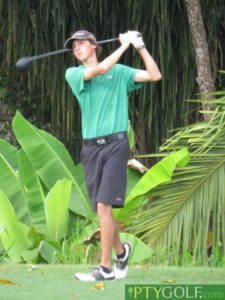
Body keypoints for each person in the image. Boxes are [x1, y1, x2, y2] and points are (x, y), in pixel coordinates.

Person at [64, 30, 161, 282]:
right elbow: (101, 69)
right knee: (102, 210)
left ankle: (105, 268)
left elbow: (155, 75)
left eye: (81, 43)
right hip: (91, 149)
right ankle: (121, 252)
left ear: (94, 46)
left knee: (104, 205)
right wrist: (125, 45)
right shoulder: (73, 74)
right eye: (73, 46)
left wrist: (139, 46)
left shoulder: (120, 73)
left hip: (116, 145)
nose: (76, 48)